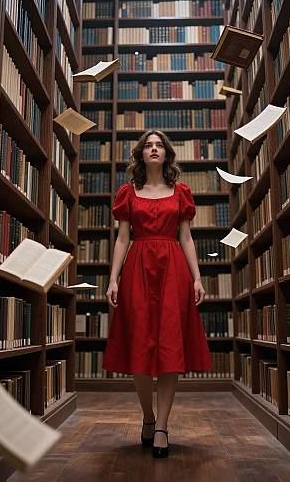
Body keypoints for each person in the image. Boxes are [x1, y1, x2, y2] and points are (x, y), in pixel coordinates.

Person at [103, 129, 213, 458]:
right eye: (148, 145)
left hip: (173, 270)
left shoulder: (180, 192)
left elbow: (186, 238)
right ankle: (148, 417)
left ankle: (162, 425)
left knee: (168, 346)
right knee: (138, 344)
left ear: (166, 154)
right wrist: (113, 279)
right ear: (141, 154)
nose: (153, 149)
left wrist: (197, 278)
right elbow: (122, 239)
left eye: (159, 146)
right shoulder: (128, 192)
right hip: (137, 267)